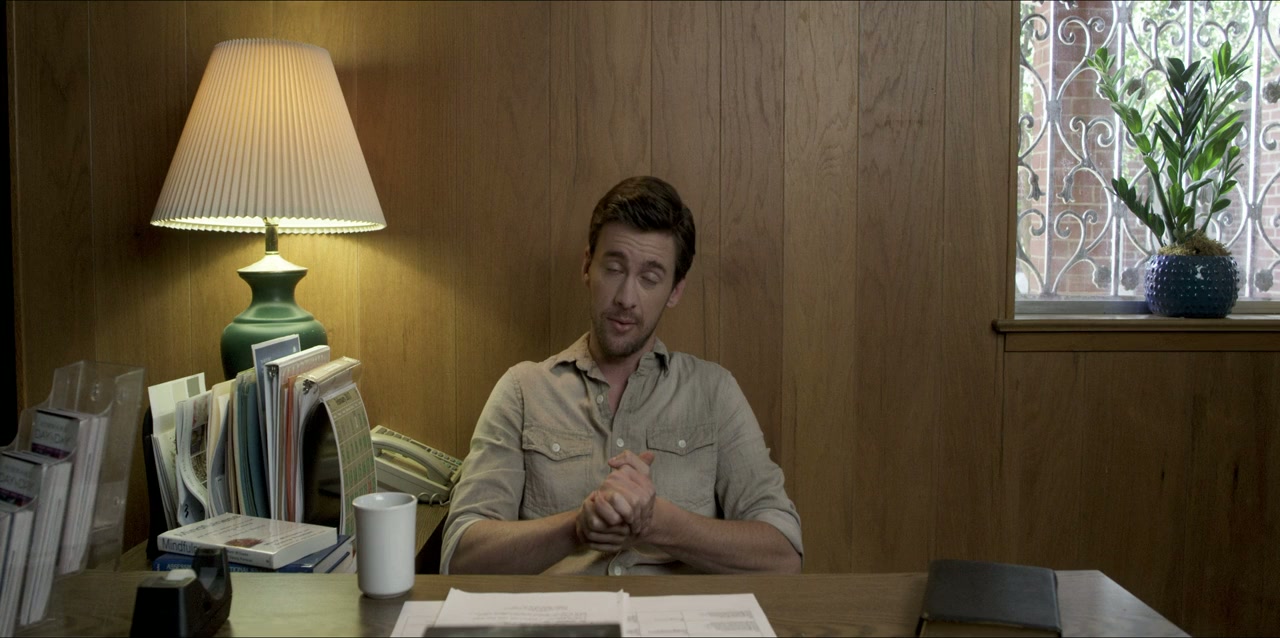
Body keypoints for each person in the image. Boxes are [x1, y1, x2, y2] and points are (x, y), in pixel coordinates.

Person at [440, 176, 802, 575]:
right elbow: (460, 556)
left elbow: (783, 555)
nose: (626, 298)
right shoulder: (522, 391)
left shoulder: (714, 392)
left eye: (650, 278)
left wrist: (661, 525)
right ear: (587, 266)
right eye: (614, 268)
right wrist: (577, 528)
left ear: (675, 290)